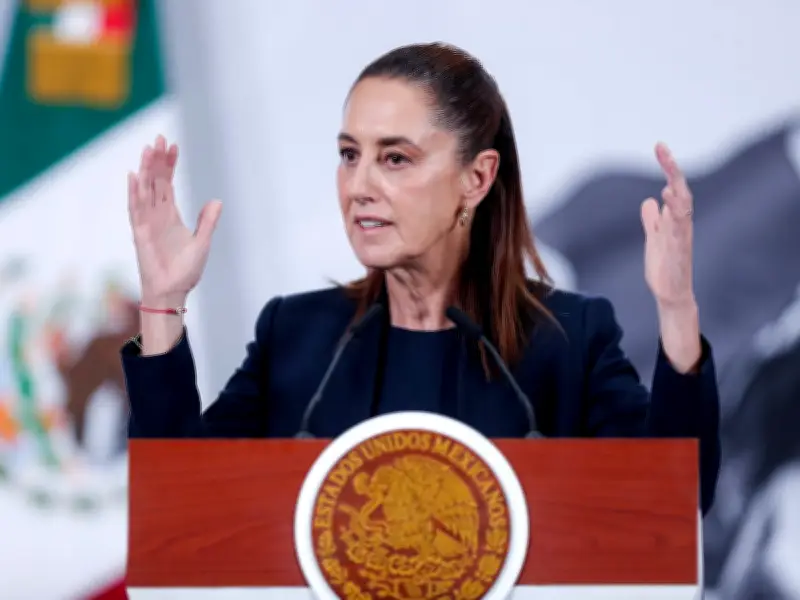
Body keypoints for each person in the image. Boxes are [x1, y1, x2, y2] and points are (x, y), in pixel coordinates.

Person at [121, 42, 721, 515]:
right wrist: (163, 302)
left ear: (476, 178)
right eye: (349, 155)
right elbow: (179, 505)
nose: (359, 187)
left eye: (395, 158)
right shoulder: (296, 335)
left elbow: (675, 501)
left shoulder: (569, 339)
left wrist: (675, 310)